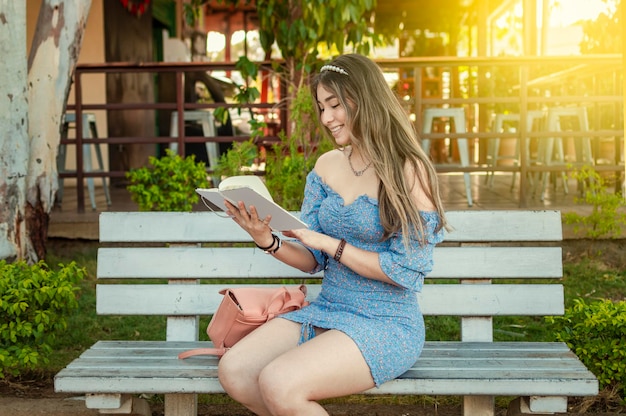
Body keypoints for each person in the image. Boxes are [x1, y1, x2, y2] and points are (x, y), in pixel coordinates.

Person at [219, 53, 448, 416]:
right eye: (321, 107)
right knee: (235, 371)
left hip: (386, 322)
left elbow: (404, 270)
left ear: (364, 99)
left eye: (335, 105)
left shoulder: (409, 170)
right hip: (328, 309)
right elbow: (312, 259)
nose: (326, 118)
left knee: (279, 382)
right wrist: (266, 238)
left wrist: (331, 244)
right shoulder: (326, 165)